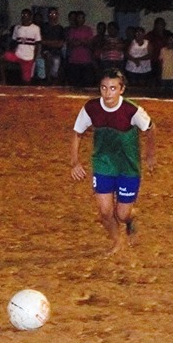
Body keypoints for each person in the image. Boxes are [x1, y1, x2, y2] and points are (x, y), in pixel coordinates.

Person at [70, 68, 156, 254]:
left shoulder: (132, 110)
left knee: (122, 214)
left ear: (121, 90)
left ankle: (131, 219)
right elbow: (77, 133)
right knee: (105, 212)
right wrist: (75, 161)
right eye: (104, 88)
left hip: (128, 167)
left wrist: (150, 154)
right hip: (103, 164)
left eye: (113, 88)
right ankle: (117, 241)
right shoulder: (91, 108)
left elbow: (150, 128)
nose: (108, 93)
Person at [0, 8, 41, 84]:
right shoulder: (17, 28)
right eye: (22, 15)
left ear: (30, 16)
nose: (24, 17)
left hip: (28, 58)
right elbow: (14, 42)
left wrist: (34, 59)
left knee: (26, 81)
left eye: (26, 15)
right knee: (2, 57)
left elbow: (37, 45)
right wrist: (12, 50)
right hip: (17, 55)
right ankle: (3, 80)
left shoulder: (35, 28)